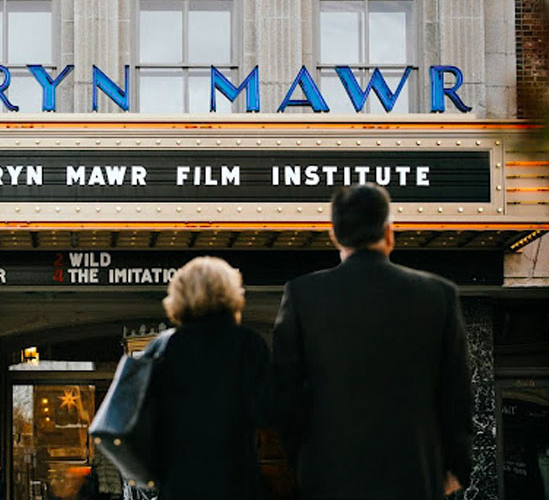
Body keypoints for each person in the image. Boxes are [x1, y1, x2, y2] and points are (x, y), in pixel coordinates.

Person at [272, 184, 473, 500]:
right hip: (415, 477)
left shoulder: (302, 295)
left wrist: (304, 463)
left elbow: (287, 395)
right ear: (389, 233)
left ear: (335, 235)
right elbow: (456, 392)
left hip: (329, 478)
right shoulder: (438, 295)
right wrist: (455, 468)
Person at [151, 256, 271, 500]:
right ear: (230, 293)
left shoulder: (164, 347)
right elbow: (267, 411)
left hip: (180, 482)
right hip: (237, 480)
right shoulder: (249, 344)